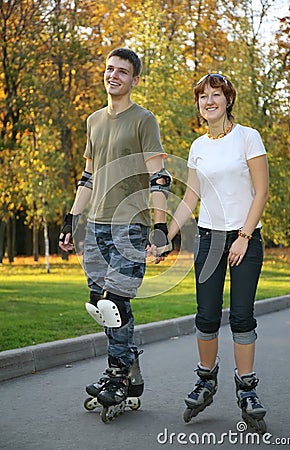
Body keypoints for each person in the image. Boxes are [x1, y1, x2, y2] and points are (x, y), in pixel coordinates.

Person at [59, 48, 172, 415]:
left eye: (122, 72)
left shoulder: (144, 120)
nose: (113, 76)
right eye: (109, 70)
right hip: (95, 225)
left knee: (116, 302)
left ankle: (119, 375)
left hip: (131, 225)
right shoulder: (94, 120)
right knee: (100, 304)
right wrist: (71, 218)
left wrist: (159, 226)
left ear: (134, 80)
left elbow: (160, 176)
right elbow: (88, 177)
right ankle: (126, 372)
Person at [167, 73, 269, 431]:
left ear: (228, 99)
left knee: (242, 317)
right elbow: (191, 198)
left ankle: (247, 388)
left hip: (244, 238)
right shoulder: (198, 147)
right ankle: (206, 380)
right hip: (209, 240)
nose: (208, 101)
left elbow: (261, 192)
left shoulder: (247, 137)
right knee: (207, 316)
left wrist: (243, 235)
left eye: (215, 95)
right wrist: (167, 233)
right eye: (202, 97)